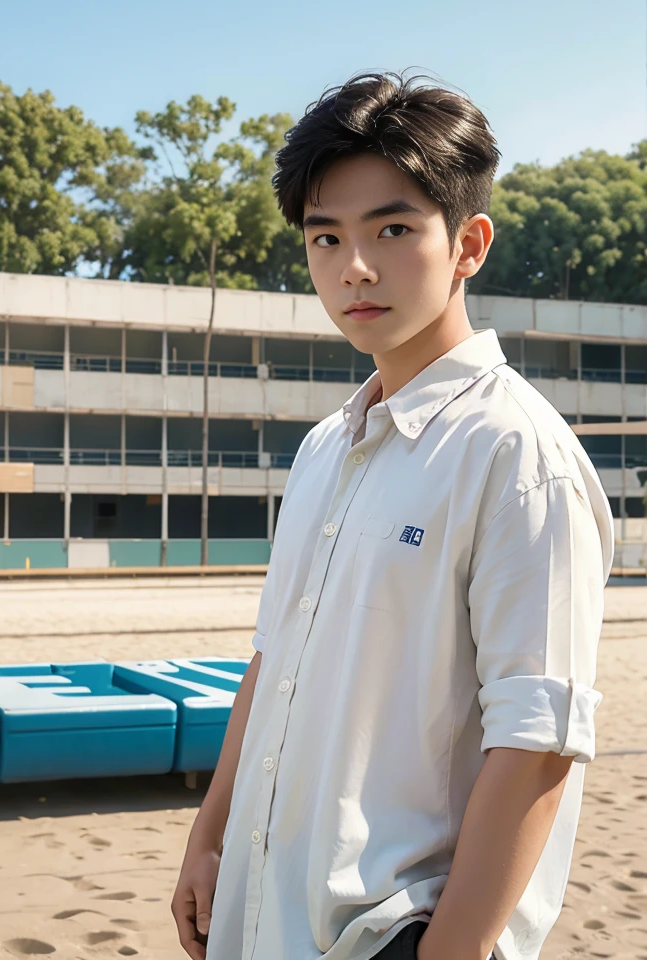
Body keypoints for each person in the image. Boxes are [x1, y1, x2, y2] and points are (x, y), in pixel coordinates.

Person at [171, 71, 615, 960]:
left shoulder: (517, 454)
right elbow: (271, 658)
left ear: (469, 244)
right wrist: (209, 834)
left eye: (395, 229)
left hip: (392, 931)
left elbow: (538, 744)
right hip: (264, 913)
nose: (355, 267)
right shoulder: (325, 448)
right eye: (325, 236)